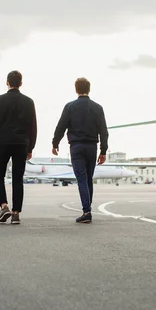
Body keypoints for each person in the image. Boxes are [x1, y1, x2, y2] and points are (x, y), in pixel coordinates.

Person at [51, 77, 109, 223]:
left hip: (76, 147)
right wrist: (103, 151)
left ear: (76, 89)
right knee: (89, 178)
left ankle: (86, 211)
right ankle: (87, 209)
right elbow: (103, 131)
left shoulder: (70, 107)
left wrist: (55, 143)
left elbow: (61, 126)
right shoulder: (97, 107)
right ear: (88, 89)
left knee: (81, 179)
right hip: (92, 147)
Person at [0, 70, 37, 224]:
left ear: (7, 82)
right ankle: (16, 213)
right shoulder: (29, 102)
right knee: (17, 178)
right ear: (20, 83)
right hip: (21, 143)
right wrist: (30, 148)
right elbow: (33, 127)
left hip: (3, 142)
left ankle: (4, 206)